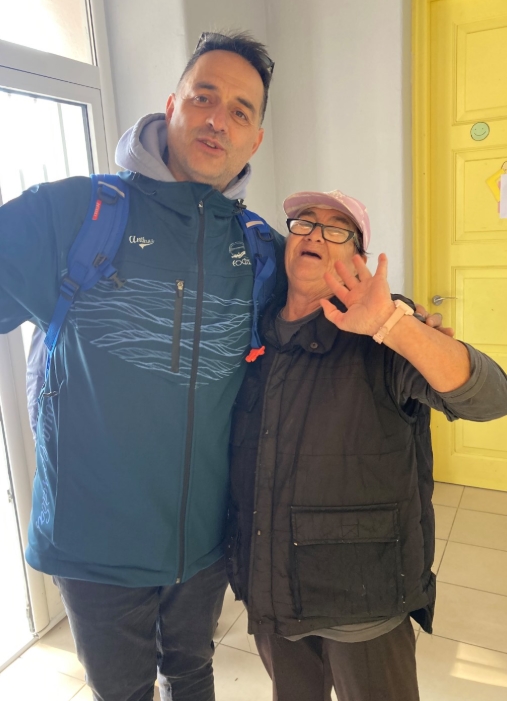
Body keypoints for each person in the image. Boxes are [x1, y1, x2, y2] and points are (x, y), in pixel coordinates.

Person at [0, 31, 283, 701]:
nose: (217, 120)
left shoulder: (258, 251)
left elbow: (323, 334)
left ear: (255, 140)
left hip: (202, 541)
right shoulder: (73, 212)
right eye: (203, 98)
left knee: (192, 673)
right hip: (96, 545)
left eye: (239, 110)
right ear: (172, 106)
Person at [226, 188, 507, 701]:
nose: (315, 234)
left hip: (363, 600)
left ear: (357, 258)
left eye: (336, 229)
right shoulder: (253, 331)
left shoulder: (385, 330)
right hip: (271, 589)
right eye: (304, 222)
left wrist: (392, 326)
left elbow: (490, 399)